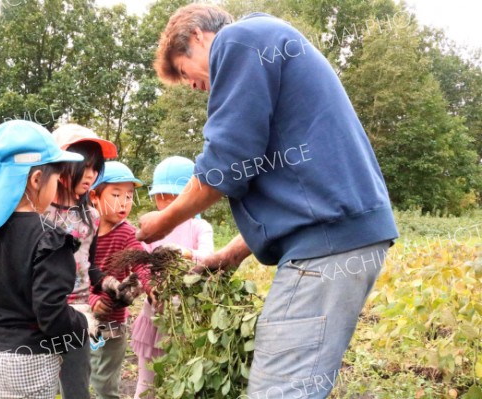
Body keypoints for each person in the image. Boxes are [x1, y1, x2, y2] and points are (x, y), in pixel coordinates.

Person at [136, 4, 399, 398]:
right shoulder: (265, 45)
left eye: (183, 70)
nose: (190, 86)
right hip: (336, 240)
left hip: (326, 247)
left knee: (278, 389)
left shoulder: (239, 41)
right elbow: (291, 189)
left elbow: (227, 162)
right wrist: (228, 255)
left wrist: (162, 222)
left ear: (195, 37)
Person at [0, 120, 93, 399]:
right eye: (56, 177)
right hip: (30, 361)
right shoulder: (49, 239)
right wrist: (82, 324)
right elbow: (51, 314)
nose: (57, 184)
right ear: (36, 179)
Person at [130, 156, 214, 399]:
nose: (164, 202)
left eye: (173, 196)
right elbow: (142, 267)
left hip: (188, 315)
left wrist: (185, 253)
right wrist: (149, 287)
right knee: (147, 380)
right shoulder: (150, 229)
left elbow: (209, 258)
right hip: (156, 314)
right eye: (161, 196)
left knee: (184, 375)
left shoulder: (200, 227)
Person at [46, 124, 118, 399]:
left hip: (78, 314)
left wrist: (109, 284)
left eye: (95, 168)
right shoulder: (38, 212)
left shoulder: (92, 216)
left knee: (77, 387)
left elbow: (90, 264)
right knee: (42, 384)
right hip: (42, 311)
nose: (90, 175)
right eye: (83, 166)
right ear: (59, 165)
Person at [87, 161, 151, 399]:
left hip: (111, 324)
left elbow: (142, 263)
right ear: (94, 196)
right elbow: (70, 273)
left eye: (129, 196)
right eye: (116, 195)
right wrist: (92, 299)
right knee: (74, 376)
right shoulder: (82, 231)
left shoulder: (126, 233)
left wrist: (148, 283)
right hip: (79, 320)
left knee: (105, 384)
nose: (124, 202)